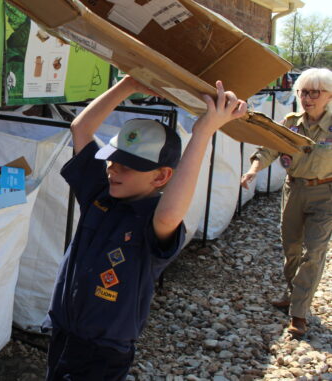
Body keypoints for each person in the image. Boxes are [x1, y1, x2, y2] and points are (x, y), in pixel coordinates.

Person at [44, 75, 247, 380]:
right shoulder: (100, 194)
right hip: (62, 330)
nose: (113, 169)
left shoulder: (154, 219)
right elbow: (80, 128)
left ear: (161, 177)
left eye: (127, 165)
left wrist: (203, 132)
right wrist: (128, 85)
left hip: (103, 351)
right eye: (112, 161)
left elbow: (169, 216)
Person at [241, 67, 332, 339]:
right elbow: (269, 148)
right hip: (293, 191)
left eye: (315, 92)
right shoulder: (291, 122)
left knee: (314, 251)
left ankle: (299, 312)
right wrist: (253, 170)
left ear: (329, 95)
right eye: (304, 92)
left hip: (326, 193)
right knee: (291, 248)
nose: (308, 98)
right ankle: (295, 294)